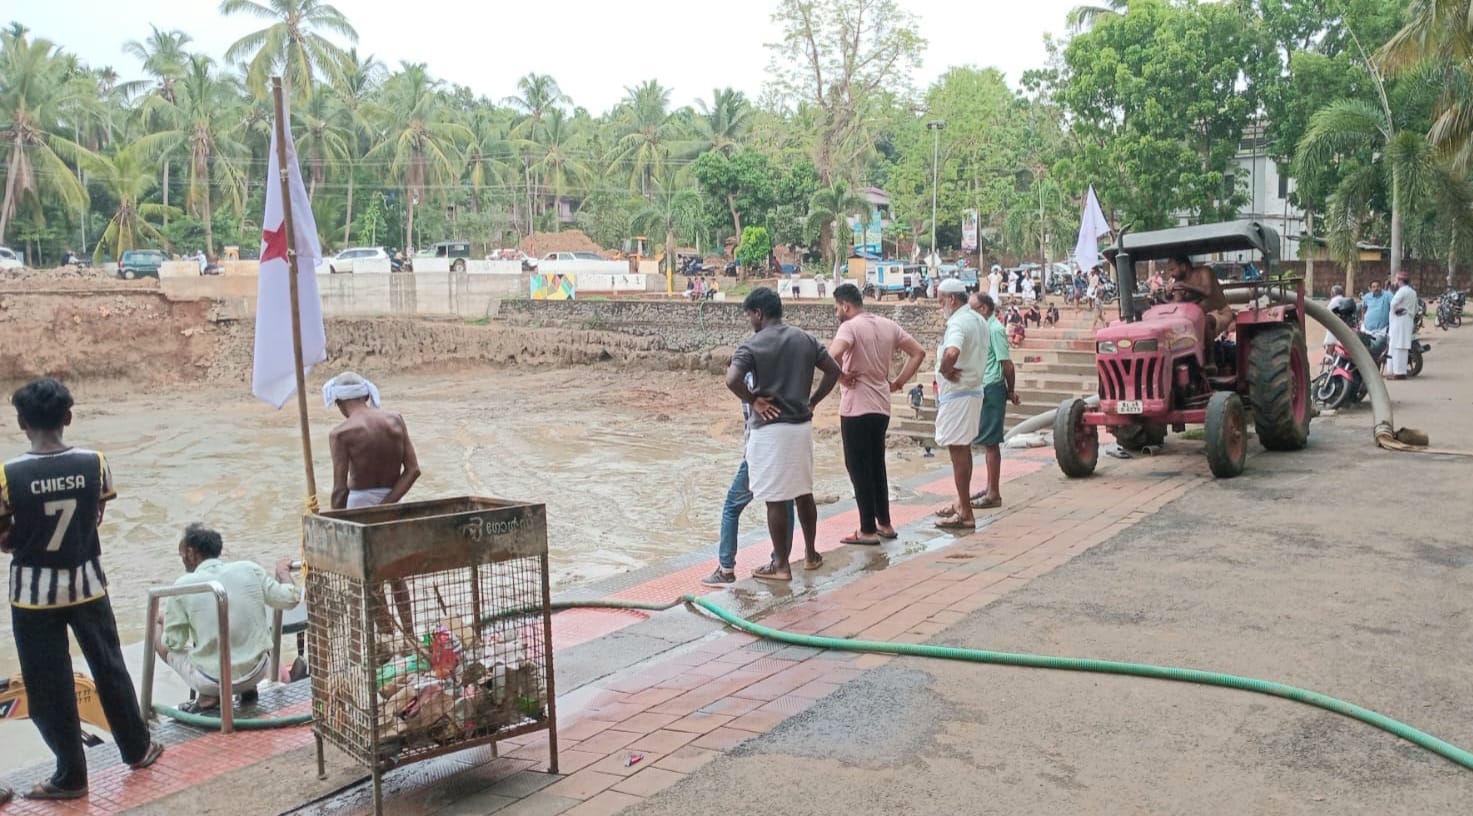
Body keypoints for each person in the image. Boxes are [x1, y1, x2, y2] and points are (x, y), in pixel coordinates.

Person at [1, 378, 163, 802]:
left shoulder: (8, 475)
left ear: (21, 423)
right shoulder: (95, 463)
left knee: (47, 684)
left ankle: (71, 775)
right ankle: (138, 748)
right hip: (88, 585)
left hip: (33, 597)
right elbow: (95, 517)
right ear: (68, 418)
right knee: (109, 666)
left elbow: (3, 537)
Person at [726, 288, 841, 581]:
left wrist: (754, 400)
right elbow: (833, 370)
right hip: (800, 427)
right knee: (804, 492)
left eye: (750, 315)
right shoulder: (805, 339)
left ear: (758, 313)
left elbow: (732, 379)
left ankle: (781, 566)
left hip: (770, 430)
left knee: (776, 499)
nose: (750, 320)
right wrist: (813, 401)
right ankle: (811, 555)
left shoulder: (752, 345)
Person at [155, 524, 300, 712]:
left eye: (182, 554)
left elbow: (174, 642)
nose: (182, 559)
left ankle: (208, 697)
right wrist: (282, 573)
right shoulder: (249, 569)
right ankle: (247, 689)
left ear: (191, 553)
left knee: (159, 634)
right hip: (256, 672)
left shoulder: (183, 585)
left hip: (212, 681)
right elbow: (290, 598)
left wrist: (162, 622)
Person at [828, 284, 927, 546]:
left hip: (856, 406)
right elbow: (918, 352)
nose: (837, 313)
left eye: (837, 308)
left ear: (845, 306)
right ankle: (884, 522)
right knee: (876, 464)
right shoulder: (888, 325)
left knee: (857, 466)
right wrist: (898, 382)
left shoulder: (849, 327)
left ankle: (867, 529)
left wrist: (841, 376)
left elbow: (831, 355)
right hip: (882, 405)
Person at [325, 372, 421, 636]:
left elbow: (339, 490)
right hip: (393, 506)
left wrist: (335, 528)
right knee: (396, 573)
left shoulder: (341, 433)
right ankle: (409, 635)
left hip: (360, 510)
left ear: (339, 403)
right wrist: (387, 505)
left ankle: (387, 635)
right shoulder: (395, 420)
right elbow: (413, 470)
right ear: (366, 395)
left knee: (369, 580)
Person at [702, 373, 796, 586]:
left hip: (758, 452)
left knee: (732, 506)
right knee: (785, 503)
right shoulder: (782, 373)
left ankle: (726, 569)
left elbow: (733, 382)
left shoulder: (750, 377)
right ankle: (780, 561)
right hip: (784, 447)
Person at [931, 279, 989, 532]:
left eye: (940, 300)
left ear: (951, 299)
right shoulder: (978, 320)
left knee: (958, 452)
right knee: (963, 450)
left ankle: (965, 512)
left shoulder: (958, 322)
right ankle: (962, 502)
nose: (940, 306)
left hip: (959, 394)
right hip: (972, 391)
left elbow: (952, 351)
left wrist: (945, 369)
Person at [967, 293, 1020, 511]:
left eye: (973, 309)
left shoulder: (995, 330)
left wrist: (1011, 390)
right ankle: (989, 487)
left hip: (992, 387)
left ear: (984, 309)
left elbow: (1007, 364)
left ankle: (993, 493)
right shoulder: (983, 328)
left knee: (991, 442)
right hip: (984, 386)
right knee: (988, 441)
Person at [1165, 254, 1233, 339]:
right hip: (1196, 318)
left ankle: (1210, 348)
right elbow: (1178, 304)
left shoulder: (1204, 271)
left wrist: (1184, 285)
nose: (1171, 274)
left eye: (1172, 270)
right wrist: (1169, 296)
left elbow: (1207, 291)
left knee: (1205, 323)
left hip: (1220, 313)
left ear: (1183, 267)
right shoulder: (1178, 282)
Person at [1387, 271, 1418, 379]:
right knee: (1402, 346)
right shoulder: (1412, 292)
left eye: (1396, 280)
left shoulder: (1402, 291)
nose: (1395, 282)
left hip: (1399, 321)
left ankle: (1398, 373)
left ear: (1400, 281)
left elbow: (1393, 304)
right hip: (1407, 321)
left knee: (1397, 346)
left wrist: (1396, 311)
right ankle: (1399, 371)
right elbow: (1416, 308)